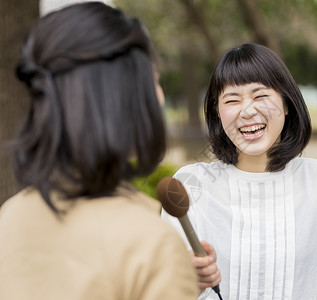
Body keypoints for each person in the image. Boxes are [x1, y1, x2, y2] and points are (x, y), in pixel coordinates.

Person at [0, 2, 198, 299]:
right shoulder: (149, 244)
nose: (159, 96)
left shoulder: (10, 216)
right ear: (118, 95)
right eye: (152, 80)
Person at [161, 43, 317, 299]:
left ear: (286, 104)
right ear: (218, 113)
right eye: (232, 100)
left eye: (260, 95)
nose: (247, 111)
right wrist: (191, 282)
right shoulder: (190, 184)